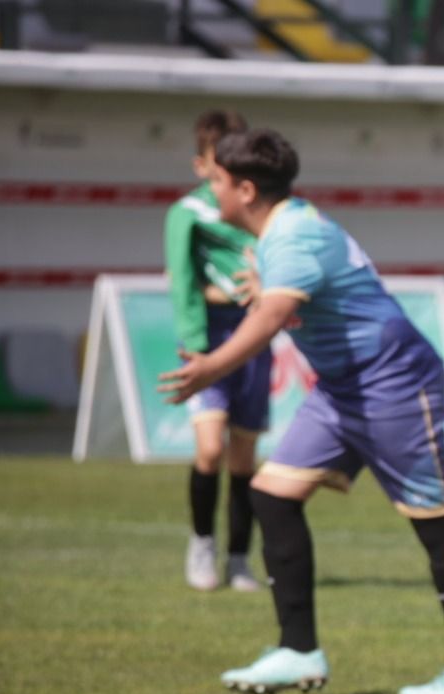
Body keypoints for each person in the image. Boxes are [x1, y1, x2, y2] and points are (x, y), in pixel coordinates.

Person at [158, 128, 444, 694]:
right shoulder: (287, 229)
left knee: (435, 522)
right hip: (343, 391)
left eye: (214, 180)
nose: (206, 191)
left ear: (244, 189)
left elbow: (273, 318)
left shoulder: (291, 234)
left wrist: (212, 366)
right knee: (271, 494)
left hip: (393, 384)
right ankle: (298, 650)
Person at [166, 109, 272, 592]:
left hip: (253, 335)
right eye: (221, 158)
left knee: (244, 456)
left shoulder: (260, 212)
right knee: (210, 449)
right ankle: (202, 544)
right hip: (209, 339)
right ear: (202, 165)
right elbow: (183, 281)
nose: (230, 166)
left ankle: (239, 559)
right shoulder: (187, 214)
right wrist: (195, 346)